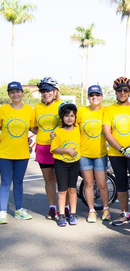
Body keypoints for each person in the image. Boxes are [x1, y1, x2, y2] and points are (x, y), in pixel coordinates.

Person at [103, 77, 130, 226]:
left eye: (125, 90)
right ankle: (124, 214)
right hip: (116, 153)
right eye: (119, 90)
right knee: (121, 183)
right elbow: (107, 133)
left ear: (129, 92)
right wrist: (121, 149)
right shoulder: (109, 110)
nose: (122, 93)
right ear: (115, 92)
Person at [0, 82, 35, 224]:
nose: (15, 94)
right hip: (5, 152)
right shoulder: (3, 110)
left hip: (22, 153)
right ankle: (2, 212)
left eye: (18, 91)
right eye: (12, 92)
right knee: (5, 182)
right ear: (9, 94)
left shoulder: (29, 111)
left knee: (19, 181)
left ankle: (19, 210)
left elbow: (35, 129)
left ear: (22, 93)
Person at [77, 85, 110, 223]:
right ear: (88, 97)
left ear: (102, 96)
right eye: (92, 95)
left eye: (97, 95)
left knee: (102, 184)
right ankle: (91, 211)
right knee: (88, 184)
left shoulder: (106, 111)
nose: (94, 97)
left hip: (100, 154)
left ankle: (106, 209)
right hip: (84, 154)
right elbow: (72, 127)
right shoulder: (81, 111)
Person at [33, 77, 64, 220]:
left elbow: (68, 124)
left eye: (49, 90)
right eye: (43, 91)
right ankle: (52, 207)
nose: (46, 93)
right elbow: (34, 128)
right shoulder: (37, 108)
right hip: (43, 148)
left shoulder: (61, 105)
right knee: (49, 180)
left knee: (61, 180)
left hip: (58, 148)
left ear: (55, 91)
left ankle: (64, 208)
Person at [51, 102, 81, 227]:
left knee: (73, 189)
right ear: (62, 117)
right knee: (62, 191)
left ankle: (72, 214)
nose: (69, 118)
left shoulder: (78, 129)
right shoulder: (57, 131)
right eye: (67, 115)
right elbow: (54, 149)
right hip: (61, 164)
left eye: (72, 115)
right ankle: (62, 215)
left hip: (74, 163)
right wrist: (67, 151)